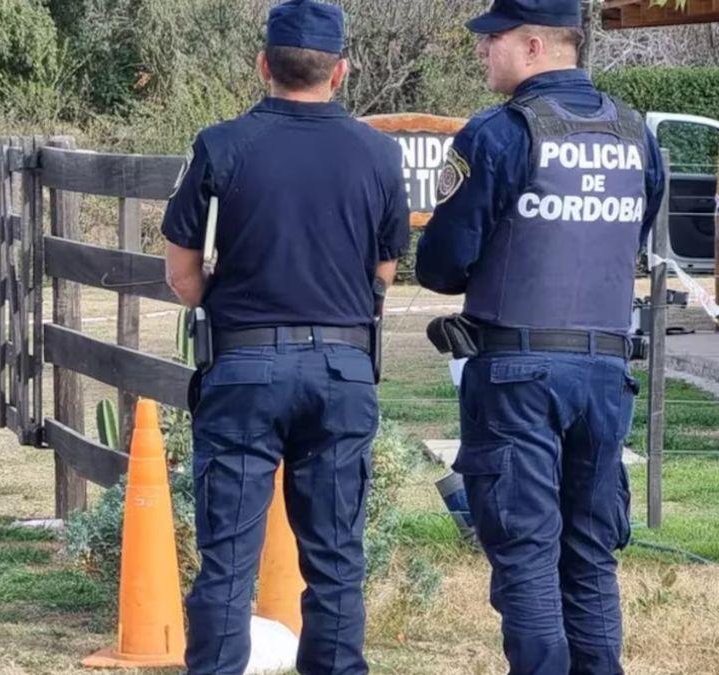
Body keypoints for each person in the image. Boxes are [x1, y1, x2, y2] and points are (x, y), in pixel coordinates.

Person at [415, 1, 666, 673]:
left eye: (492, 38)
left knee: (526, 553)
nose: (481, 50)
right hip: (606, 373)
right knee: (589, 553)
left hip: (517, 373)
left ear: (533, 46)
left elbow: (441, 265)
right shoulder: (635, 134)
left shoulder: (499, 133)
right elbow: (629, 239)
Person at [160, 2, 410, 673]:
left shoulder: (221, 144)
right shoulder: (379, 153)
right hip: (342, 366)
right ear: (341, 71)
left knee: (228, 559)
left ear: (263, 64)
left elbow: (181, 273)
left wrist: (231, 302)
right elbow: (385, 269)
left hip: (245, 364)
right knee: (336, 557)